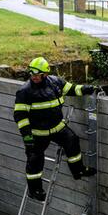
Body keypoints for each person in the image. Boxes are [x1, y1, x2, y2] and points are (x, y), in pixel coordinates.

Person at [13, 57, 101, 202]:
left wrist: (86, 89)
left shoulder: (56, 83)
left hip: (56, 127)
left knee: (72, 140)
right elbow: (20, 116)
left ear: (45, 74)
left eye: (37, 74)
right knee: (35, 159)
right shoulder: (24, 91)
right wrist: (27, 137)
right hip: (37, 133)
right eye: (32, 74)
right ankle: (35, 189)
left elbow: (72, 89)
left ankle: (78, 170)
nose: (34, 77)